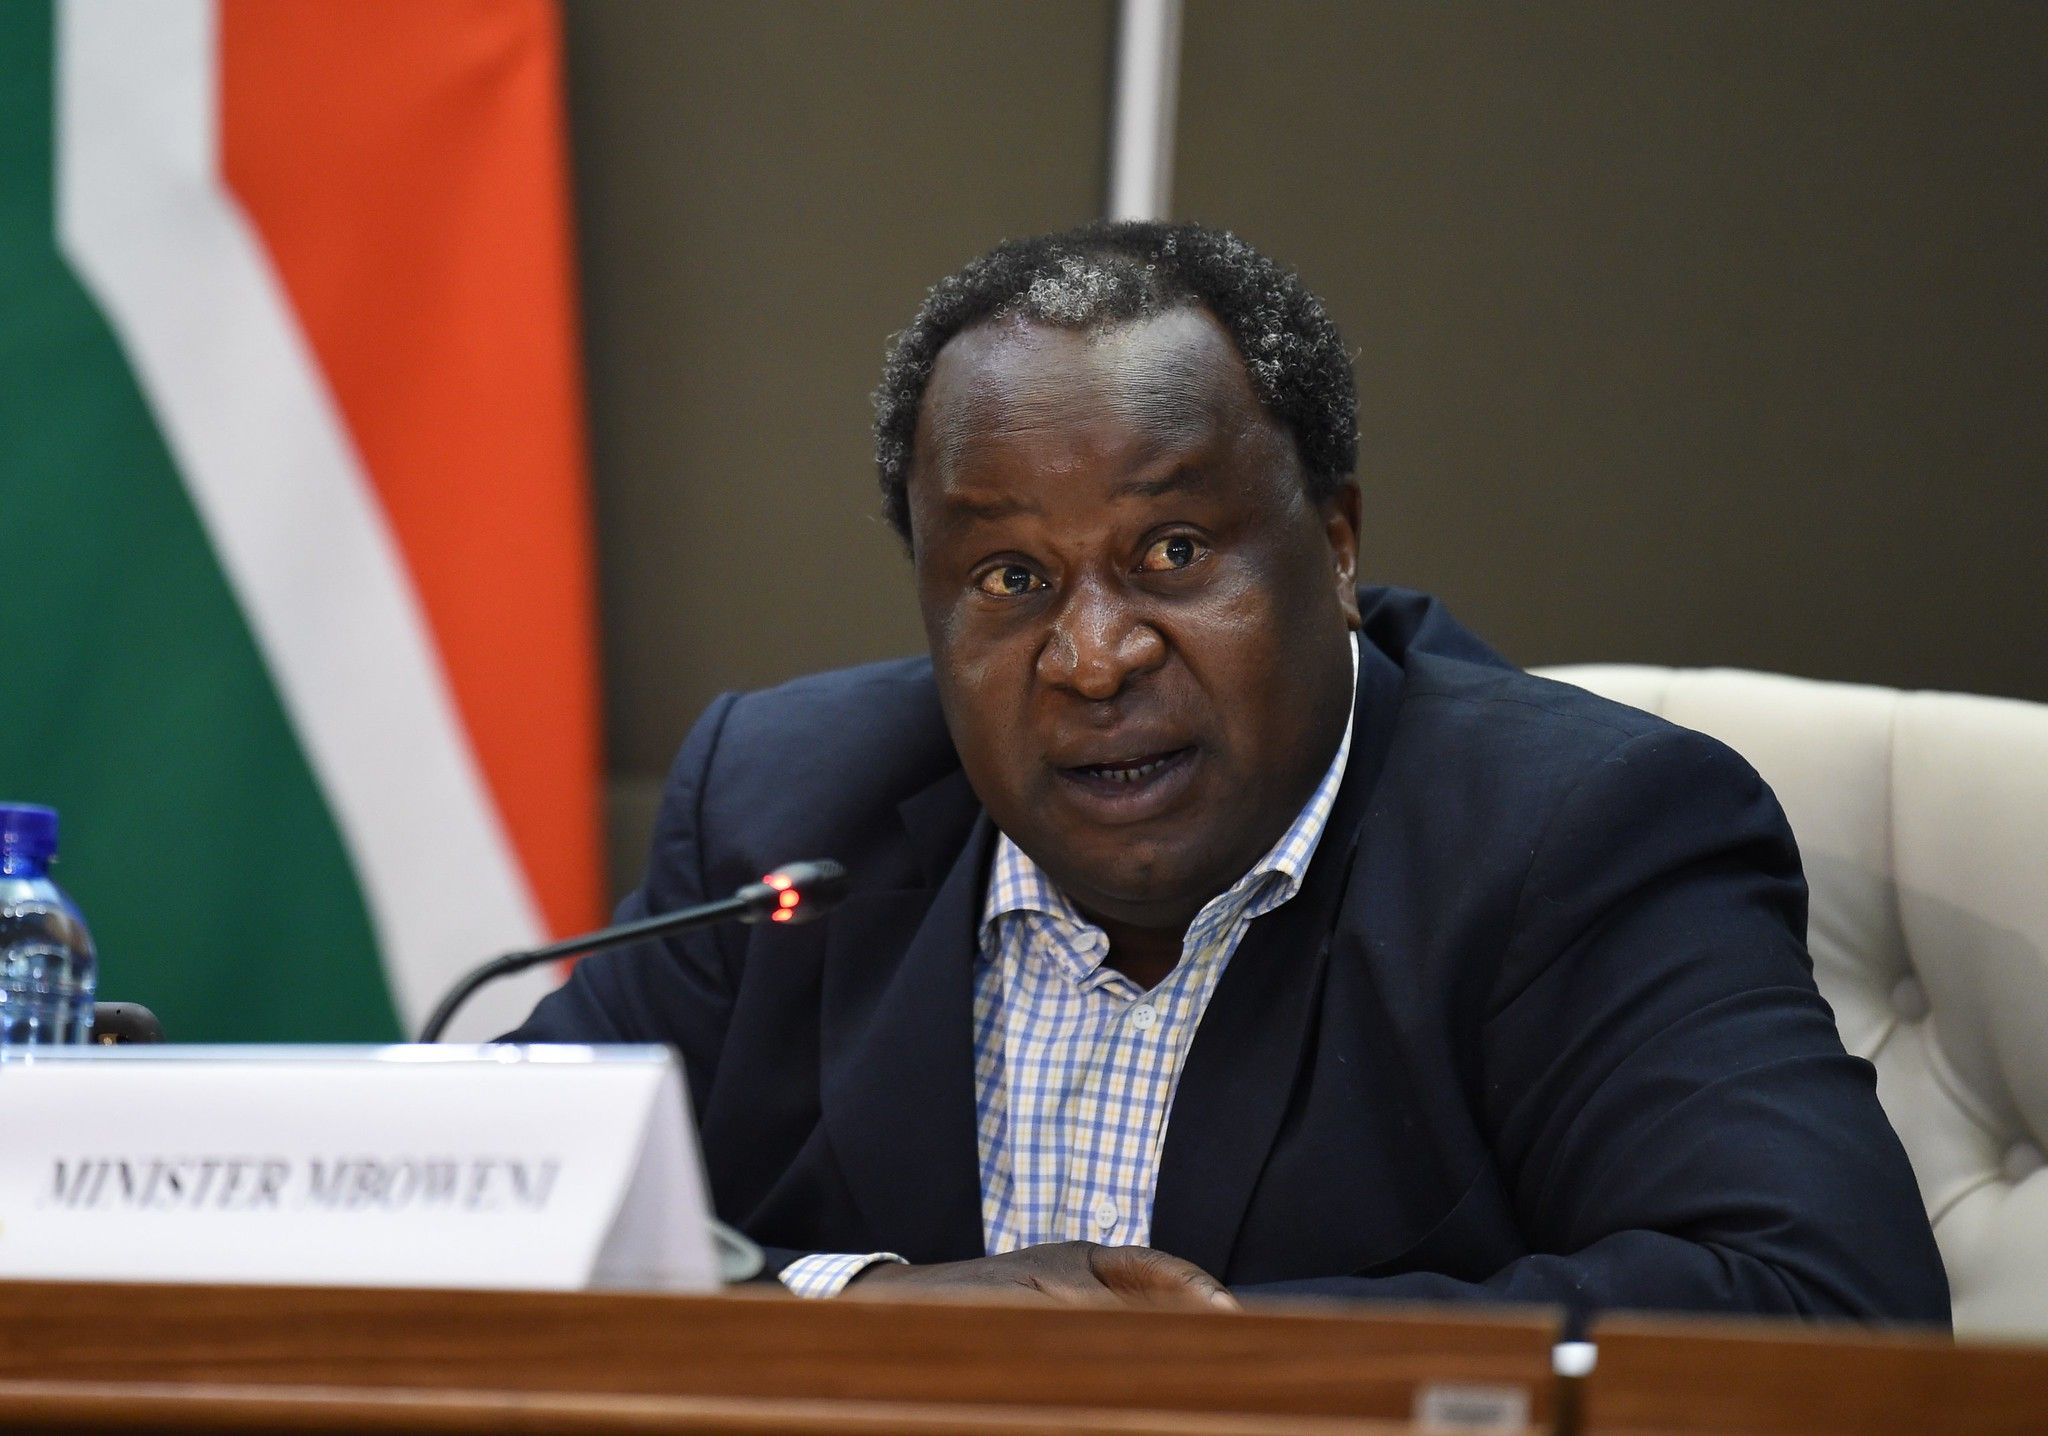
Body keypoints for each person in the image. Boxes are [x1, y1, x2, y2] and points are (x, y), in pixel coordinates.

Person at [509, 222, 1949, 1324]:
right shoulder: (779, 811)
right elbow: (472, 1231)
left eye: (1174, 552)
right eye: (1008, 577)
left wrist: (1191, 1366)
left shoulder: (1576, 838)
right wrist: (869, 1311)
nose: (1093, 657)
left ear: (1336, 548)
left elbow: (1829, 1301)